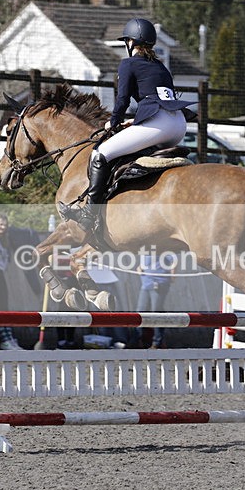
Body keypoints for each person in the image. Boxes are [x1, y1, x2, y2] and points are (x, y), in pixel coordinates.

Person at [77, 18, 195, 232]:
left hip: (160, 125)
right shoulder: (160, 66)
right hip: (178, 124)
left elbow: (122, 100)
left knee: (100, 154)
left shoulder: (128, 63)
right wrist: (134, 122)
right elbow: (160, 98)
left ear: (131, 42)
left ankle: (89, 214)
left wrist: (112, 123)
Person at [0, 213, 23, 350]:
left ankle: (9, 338)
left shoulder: (3, 239)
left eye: (5, 225)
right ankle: (4, 339)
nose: (3, 227)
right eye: (0, 224)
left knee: (3, 306)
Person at [136, 253, 174, 348]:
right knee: (140, 311)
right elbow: (144, 262)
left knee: (156, 311)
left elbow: (173, 260)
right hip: (146, 284)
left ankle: (157, 342)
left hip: (158, 284)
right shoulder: (145, 250)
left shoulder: (163, 248)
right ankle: (139, 340)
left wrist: (172, 275)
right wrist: (140, 267)